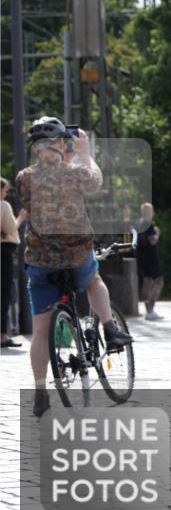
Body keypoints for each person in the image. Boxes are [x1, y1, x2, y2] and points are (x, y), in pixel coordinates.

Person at [16, 117, 133, 416]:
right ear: (59, 143)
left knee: (41, 332)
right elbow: (96, 182)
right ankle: (110, 330)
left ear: (34, 147)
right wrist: (86, 152)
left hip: (41, 264)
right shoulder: (75, 173)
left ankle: (41, 391)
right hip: (77, 257)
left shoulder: (23, 177)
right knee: (94, 280)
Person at [2, 177, 23, 348]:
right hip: (4, 251)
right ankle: (2, 335)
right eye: (5, 190)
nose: (6, 193)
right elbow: (10, 228)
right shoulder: (4, 206)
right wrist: (21, 218)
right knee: (4, 293)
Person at [135, 202, 164, 321]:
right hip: (151, 258)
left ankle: (148, 310)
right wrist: (157, 233)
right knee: (158, 282)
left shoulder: (138, 223)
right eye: (152, 211)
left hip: (141, 257)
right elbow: (152, 241)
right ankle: (150, 309)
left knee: (147, 283)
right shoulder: (148, 225)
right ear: (148, 212)